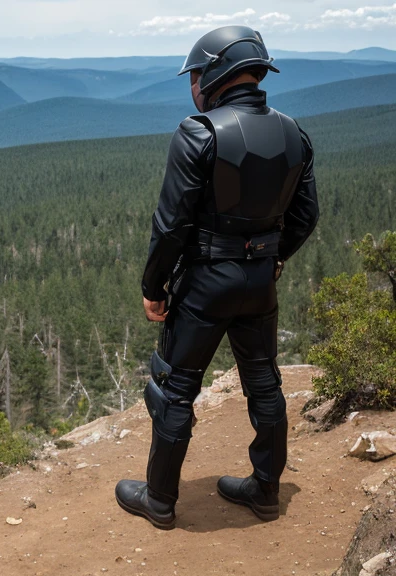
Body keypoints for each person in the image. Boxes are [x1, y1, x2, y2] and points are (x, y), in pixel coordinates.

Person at [115, 26, 319, 530]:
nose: (193, 86)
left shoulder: (198, 132)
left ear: (214, 74)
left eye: (196, 75)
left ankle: (159, 499)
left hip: (206, 283)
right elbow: (306, 215)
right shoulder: (296, 132)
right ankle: (265, 491)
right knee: (265, 384)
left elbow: (171, 227)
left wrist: (153, 288)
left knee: (174, 389)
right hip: (260, 283)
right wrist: (273, 258)